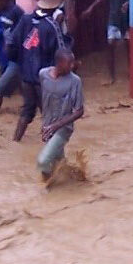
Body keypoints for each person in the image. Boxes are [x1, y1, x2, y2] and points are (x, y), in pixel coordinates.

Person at [8, 0, 67, 142]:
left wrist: (19, 63)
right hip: (44, 79)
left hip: (26, 77)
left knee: (27, 111)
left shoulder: (25, 19)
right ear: (54, 7)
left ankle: (16, 141)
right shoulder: (53, 26)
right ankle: (51, 150)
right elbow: (62, 54)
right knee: (50, 114)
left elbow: (11, 44)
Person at [37, 46, 84, 182]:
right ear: (59, 63)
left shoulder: (75, 81)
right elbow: (43, 97)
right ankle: (73, 177)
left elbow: (80, 110)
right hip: (47, 126)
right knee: (58, 161)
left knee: (43, 161)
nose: (72, 65)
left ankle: (46, 186)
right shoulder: (43, 74)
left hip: (63, 128)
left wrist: (57, 125)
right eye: (69, 63)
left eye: (73, 62)